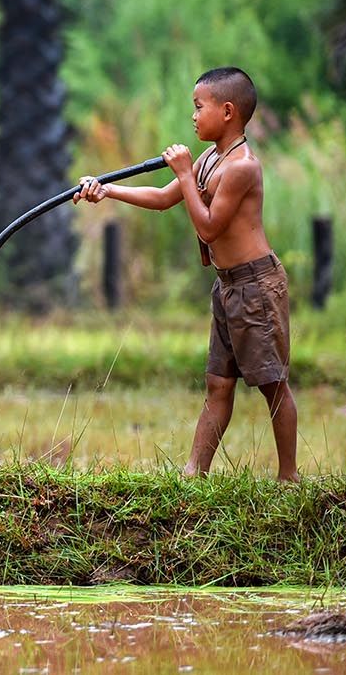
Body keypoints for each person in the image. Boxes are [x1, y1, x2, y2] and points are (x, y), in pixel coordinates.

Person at [74, 67, 298, 482]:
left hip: (256, 286)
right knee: (218, 383)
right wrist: (107, 190)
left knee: (272, 384)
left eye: (199, 107)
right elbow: (162, 199)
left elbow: (209, 226)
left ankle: (289, 477)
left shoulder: (242, 167)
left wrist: (182, 173)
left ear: (227, 111)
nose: (193, 116)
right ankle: (194, 472)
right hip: (228, 285)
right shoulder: (211, 157)